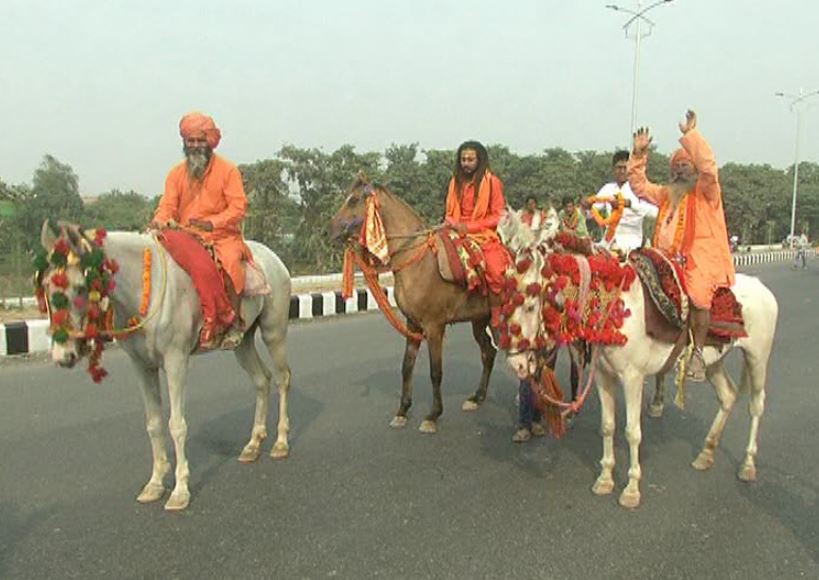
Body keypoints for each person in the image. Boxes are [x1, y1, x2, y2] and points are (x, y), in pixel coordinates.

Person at [628, 110, 735, 382]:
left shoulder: (707, 191)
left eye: (686, 166)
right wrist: (639, 155)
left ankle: (697, 353)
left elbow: (710, 168)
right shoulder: (666, 193)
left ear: (695, 169)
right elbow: (639, 186)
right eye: (676, 167)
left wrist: (691, 135)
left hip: (700, 257)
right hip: (665, 258)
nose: (679, 171)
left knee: (698, 296)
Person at [151, 112, 250, 350]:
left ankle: (232, 323)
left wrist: (213, 223)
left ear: (210, 142)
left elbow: (239, 207)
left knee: (231, 264)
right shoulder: (175, 174)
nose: (195, 145)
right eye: (190, 141)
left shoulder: (228, 170)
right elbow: (167, 206)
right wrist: (159, 221)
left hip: (222, 236)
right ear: (184, 142)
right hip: (186, 237)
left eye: (200, 140)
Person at [444, 141, 512, 328]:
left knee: (495, 269)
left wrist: (470, 227)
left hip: (483, 234)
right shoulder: (454, 182)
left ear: (479, 160)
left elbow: (498, 216)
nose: (466, 163)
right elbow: (449, 213)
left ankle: (496, 311)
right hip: (454, 230)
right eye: (463, 159)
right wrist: (453, 223)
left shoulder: (492, 182)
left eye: (470, 159)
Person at [586, 150, 658, 254]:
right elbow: (592, 212)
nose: (622, 171)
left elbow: (655, 213)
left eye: (625, 168)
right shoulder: (608, 188)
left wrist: (630, 204)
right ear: (613, 169)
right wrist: (587, 207)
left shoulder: (639, 190)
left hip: (631, 243)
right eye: (619, 168)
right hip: (607, 242)